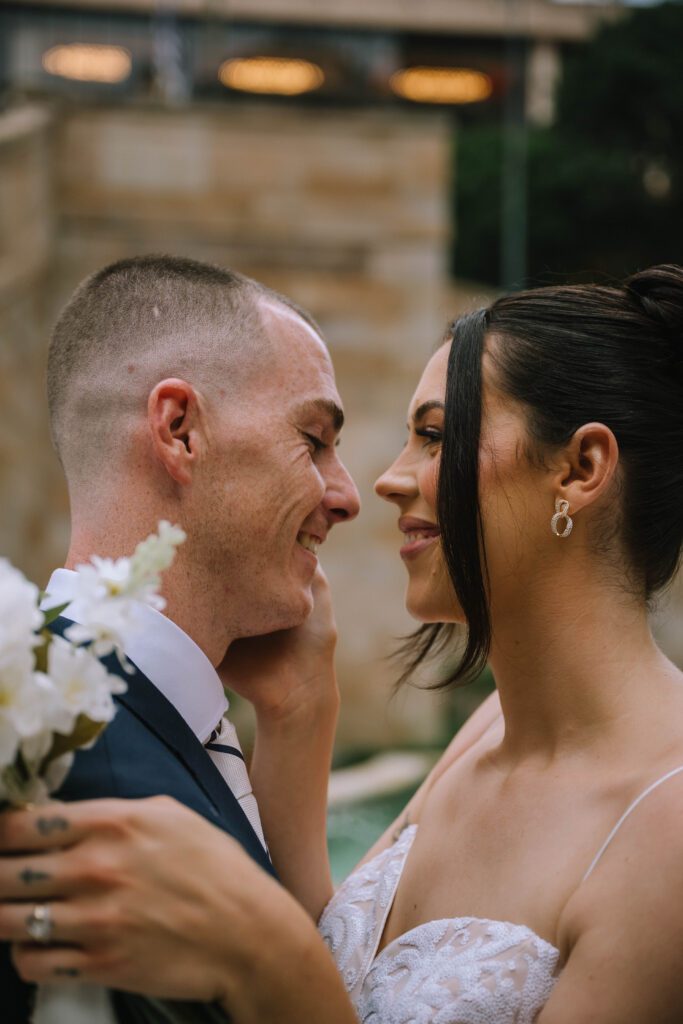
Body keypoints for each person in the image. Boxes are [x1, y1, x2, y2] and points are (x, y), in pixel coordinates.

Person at [2, 264, 683, 1023]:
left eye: (432, 437)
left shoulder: (669, 822)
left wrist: (264, 955)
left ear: (580, 467)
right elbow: (347, 977)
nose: (379, 485)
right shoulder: (484, 732)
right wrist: (298, 717)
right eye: (316, 440)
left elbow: (292, 974)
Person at [0, 254, 360, 1021]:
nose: (346, 495)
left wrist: (298, 715)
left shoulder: (132, 720)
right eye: (315, 439)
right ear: (179, 431)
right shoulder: (56, 761)